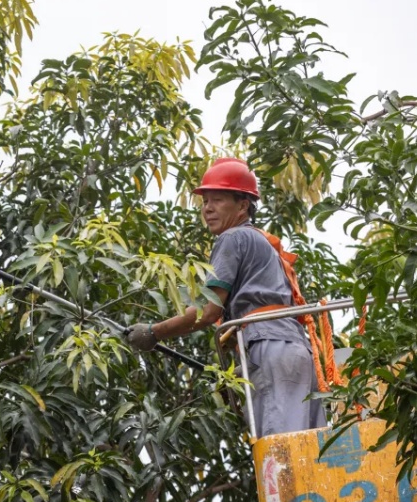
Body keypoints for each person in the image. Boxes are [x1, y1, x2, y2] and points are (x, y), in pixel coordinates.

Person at [122, 157, 326, 436]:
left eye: (217, 200)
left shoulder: (233, 238)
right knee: (306, 446)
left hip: (270, 346)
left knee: (280, 450)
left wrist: (153, 332)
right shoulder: (261, 242)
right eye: (205, 202)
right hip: (293, 351)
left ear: (243, 204)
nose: (208, 209)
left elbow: (208, 312)